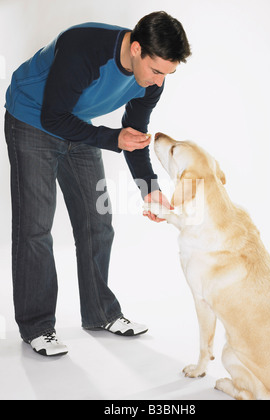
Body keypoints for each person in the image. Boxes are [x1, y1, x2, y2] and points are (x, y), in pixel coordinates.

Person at [4, 11, 191, 357]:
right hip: (31, 119)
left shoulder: (152, 81)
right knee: (35, 227)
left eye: (168, 73)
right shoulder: (85, 48)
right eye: (156, 71)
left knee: (98, 223)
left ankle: (100, 313)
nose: (160, 82)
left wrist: (150, 191)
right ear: (136, 49)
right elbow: (51, 117)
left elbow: (133, 136)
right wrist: (111, 138)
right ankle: (38, 327)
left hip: (76, 124)